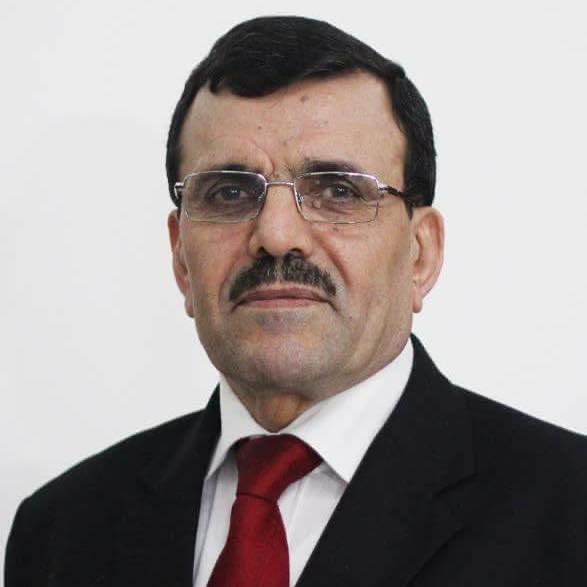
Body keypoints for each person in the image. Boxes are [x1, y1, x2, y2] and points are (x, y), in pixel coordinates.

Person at [5, 15, 587, 587]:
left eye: (337, 190)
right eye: (229, 193)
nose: (277, 235)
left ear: (420, 254)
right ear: (181, 257)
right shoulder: (61, 530)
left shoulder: (569, 512)